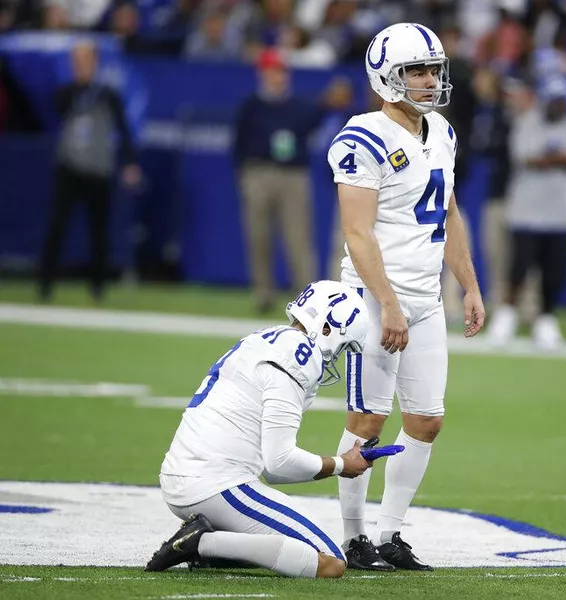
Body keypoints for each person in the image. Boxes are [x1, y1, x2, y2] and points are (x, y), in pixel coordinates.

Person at [326, 23, 485, 572]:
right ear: (386, 77)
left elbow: (449, 211)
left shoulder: (440, 130)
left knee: (426, 420)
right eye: (417, 70)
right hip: (375, 299)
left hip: (424, 299)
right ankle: (352, 537)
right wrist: (389, 304)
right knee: (367, 420)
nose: (429, 80)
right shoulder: (361, 137)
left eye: (434, 69)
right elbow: (358, 234)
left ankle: (390, 533)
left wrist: (469, 284)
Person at [145, 280, 371, 579]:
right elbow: (279, 464)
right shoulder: (299, 353)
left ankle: (213, 544)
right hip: (218, 485)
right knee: (331, 561)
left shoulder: (266, 336)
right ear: (327, 328)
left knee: (276, 544)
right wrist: (342, 465)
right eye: (342, 345)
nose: (336, 355)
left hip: (183, 476)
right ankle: (203, 542)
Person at [487, 77, 566, 349]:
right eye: (553, 100)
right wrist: (563, 159)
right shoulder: (528, 122)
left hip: (562, 215)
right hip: (527, 212)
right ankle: (506, 316)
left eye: (561, 101)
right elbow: (524, 156)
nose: (557, 106)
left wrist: (551, 159)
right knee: (518, 268)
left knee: (554, 271)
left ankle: (546, 320)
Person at [38, 40, 141, 303]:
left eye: (86, 60)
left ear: (95, 62)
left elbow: (124, 129)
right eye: (77, 61)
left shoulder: (107, 94)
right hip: (70, 167)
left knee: (99, 230)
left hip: (99, 169)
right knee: (57, 225)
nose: (82, 66)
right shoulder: (66, 93)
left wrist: (130, 162)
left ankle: (97, 286)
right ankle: (45, 283)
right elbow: (53, 115)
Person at [234, 49, 324, 313]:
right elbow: (238, 144)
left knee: (298, 236)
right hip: (258, 172)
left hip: (292, 175)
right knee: (258, 236)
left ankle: (307, 296)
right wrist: (244, 176)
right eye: (272, 71)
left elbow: (315, 121)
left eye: (281, 71)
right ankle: (263, 293)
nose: (277, 77)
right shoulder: (251, 107)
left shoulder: (298, 106)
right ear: (262, 74)